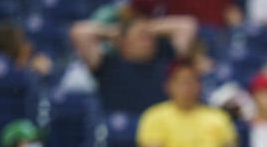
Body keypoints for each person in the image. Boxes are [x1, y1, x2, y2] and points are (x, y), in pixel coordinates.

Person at [69, 15, 198, 115]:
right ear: (124, 41)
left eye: (151, 37)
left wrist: (147, 28)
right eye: (142, 37)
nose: (149, 41)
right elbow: (79, 32)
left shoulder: (165, 60)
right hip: (119, 132)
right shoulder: (108, 65)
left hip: (161, 128)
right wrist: (113, 32)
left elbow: (187, 25)